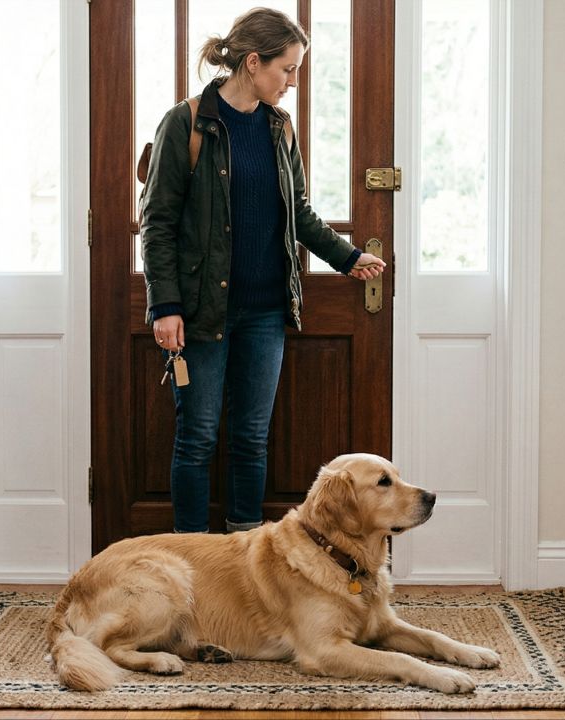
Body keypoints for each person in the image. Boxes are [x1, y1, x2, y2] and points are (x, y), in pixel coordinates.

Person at [140, 7, 384, 534]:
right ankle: (193, 559)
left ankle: (247, 555)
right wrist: (165, 305)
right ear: (254, 62)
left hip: (266, 311)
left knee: (251, 438)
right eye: (287, 69)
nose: (293, 81)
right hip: (202, 312)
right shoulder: (186, 122)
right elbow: (157, 223)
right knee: (198, 436)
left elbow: (297, 211)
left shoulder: (279, 128)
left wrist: (347, 257)